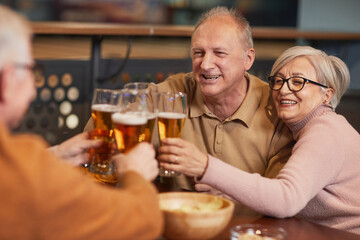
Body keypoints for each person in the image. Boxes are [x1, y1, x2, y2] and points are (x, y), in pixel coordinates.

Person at [0, 5, 163, 239]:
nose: (33, 87)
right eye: (31, 69)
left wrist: (55, 156)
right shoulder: (27, 171)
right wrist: (134, 174)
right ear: (7, 81)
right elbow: (144, 221)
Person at [174, 46, 360, 233]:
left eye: (297, 82)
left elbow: (286, 199)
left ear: (326, 95)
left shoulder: (325, 132)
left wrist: (206, 166)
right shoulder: (311, 128)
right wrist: (227, 193)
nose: (283, 90)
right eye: (278, 81)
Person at [155, 6, 294, 191]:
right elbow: (122, 110)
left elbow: (281, 197)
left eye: (219, 53)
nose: (205, 64)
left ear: (248, 59)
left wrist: (227, 190)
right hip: (177, 217)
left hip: (250, 220)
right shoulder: (174, 91)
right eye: (198, 53)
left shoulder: (277, 108)